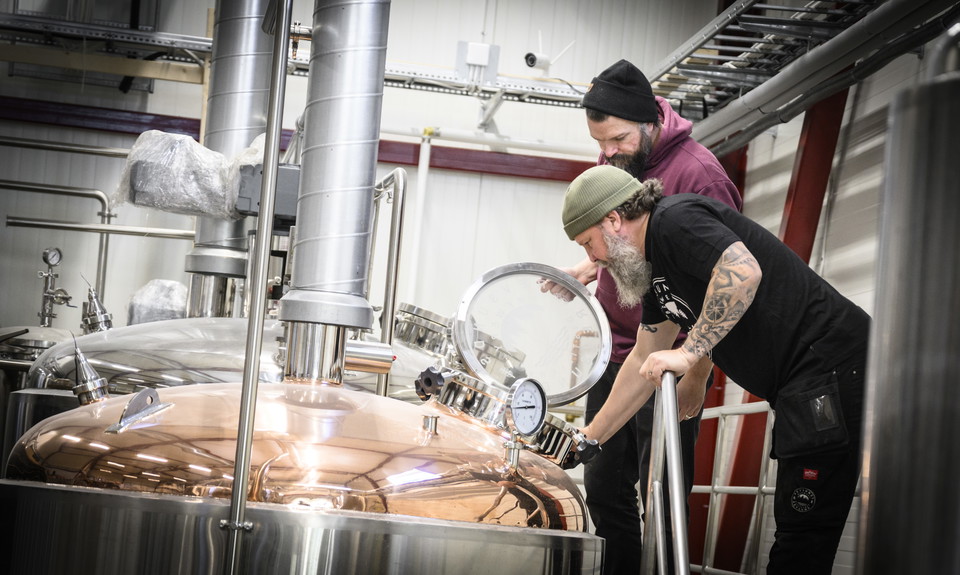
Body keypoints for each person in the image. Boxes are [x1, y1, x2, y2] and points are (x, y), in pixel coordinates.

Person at [562, 166, 869, 574]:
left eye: (588, 243)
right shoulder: (655, 271)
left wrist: (689, 356)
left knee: (803, 534)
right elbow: (641, 357)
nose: (592, 259)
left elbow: (742, 272)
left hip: (827, 365)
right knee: (797, 531)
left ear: (614, 220)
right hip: (801, 381)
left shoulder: (674, 220)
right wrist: (588, 439)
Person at [569, 58, 742, 574]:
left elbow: (725, 281)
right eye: (599, 143)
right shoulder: (622, 157)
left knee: (660, 495)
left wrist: (696, 371)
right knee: (603, 488)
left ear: (650, 122)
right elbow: (620, 233)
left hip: (670, 359)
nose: (607, 152)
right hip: (619, 354)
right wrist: (589, 264)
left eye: (617, 139)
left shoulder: (700, 177)